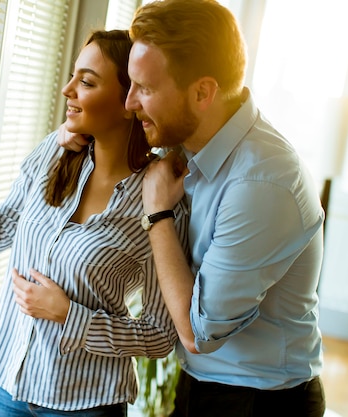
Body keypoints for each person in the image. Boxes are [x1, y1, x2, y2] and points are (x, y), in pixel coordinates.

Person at [60, 1, 326, 416]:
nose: (130, 103)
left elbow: (197, 332)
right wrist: (76, 131)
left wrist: (157, 215)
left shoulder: (261, 184)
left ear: (203, 92)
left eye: (144, 89)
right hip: (204, 384)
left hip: (259, 401)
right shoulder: (189, 136)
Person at [0, 29, 187, 417]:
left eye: (87, 81)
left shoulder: (160, 197)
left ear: (130, 100)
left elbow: (161, 335)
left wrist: (70, 315)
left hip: (84, 405)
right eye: (74, 75)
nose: (67, 89)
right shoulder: (55, 150)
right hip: (6, 387)